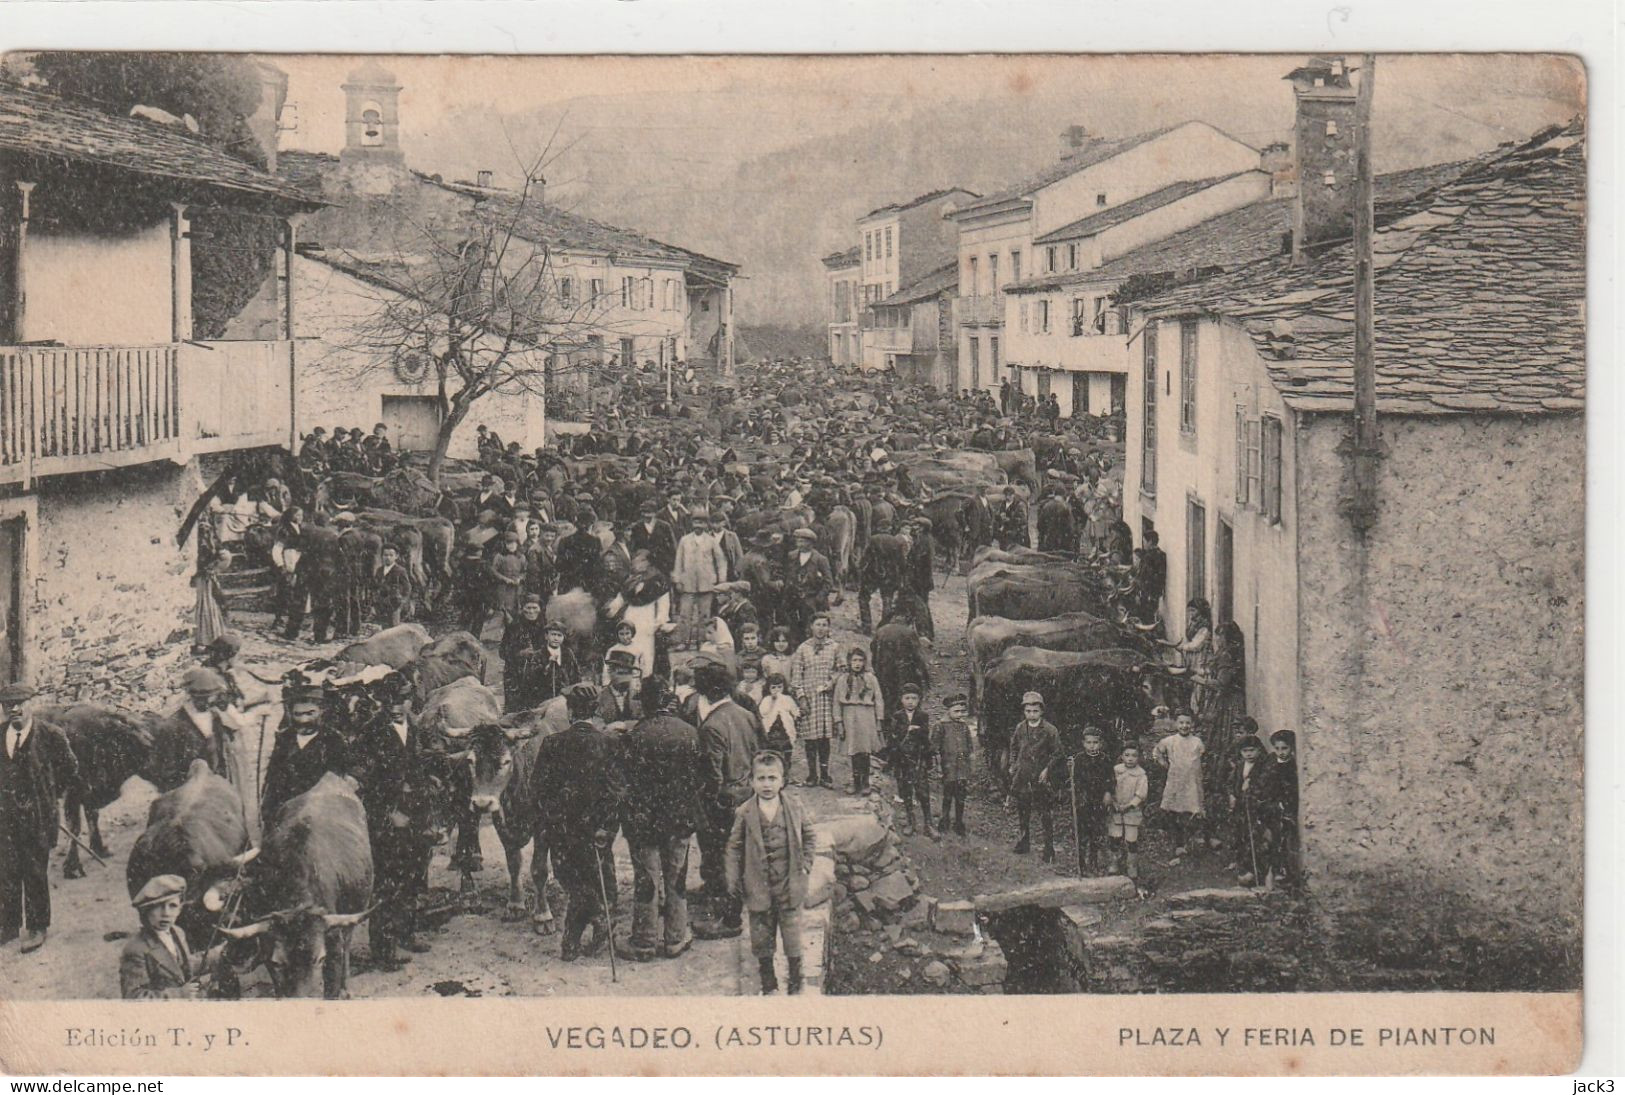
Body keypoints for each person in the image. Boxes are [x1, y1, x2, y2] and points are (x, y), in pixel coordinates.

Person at [610, 678, 705, 962]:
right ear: (669, 701)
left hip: (644, 824)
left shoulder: (635, 735)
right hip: (679, 821)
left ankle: (644, 941)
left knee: (647, 880)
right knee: (676, 877)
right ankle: (676, 938)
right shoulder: (690, 733)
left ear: (646, 702)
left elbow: (623, 783)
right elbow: (698, 779)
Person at [348, 673, 432, 968]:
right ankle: (383, 948)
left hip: (415, 814)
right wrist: (387, 813)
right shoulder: (372, 732)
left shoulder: (416, 728)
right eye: (389, 701)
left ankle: (408, 932)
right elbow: (364, 779)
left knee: (414, 875)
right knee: (387, 881)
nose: (396, 707)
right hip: (387, 818)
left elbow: (421, 768)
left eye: (402, 700)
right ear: (381, 702)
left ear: (411, 700)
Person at [533, 683, 619, 960]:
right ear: (594, 711)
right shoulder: (608, 742)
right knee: (595, 880)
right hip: (598, 831)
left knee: (571, 880)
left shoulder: (553, 743)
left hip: (564, 830)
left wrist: (553, 818)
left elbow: (539, 789)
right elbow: (617, 791)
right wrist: (607, 827)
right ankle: (594, 924)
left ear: (570, 711)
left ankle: (579, 935)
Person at [726, 752, 818, 995]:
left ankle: (796, 975)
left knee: (791, 930)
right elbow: (734, 847)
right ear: (752, 782)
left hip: (789, 882)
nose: (767, 784)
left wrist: (806, 864)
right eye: (761, 778)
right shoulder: (745, 812)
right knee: (761, 931)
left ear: (782, 780)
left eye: (772, 778)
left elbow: (809, 836)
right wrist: (733, 879)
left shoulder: (795, 807)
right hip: (758, 883)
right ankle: (768, 978)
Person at [0, 684, 76, 951]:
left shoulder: (50, 735)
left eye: (20, 703)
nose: (14, 709)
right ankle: (8, 926)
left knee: (34, 871)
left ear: (31, 703)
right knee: (6, 871)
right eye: (8, 704)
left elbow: (69, 767)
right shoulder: (0, 735)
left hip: (38, 818)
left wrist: (49, 797)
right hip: (5, 819)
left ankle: (37, 926)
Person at [692, 658, 764, 941]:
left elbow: (713, 777)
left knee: (723, 856)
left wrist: (709, 805)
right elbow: (758, 753)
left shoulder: (711, 726)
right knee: (736, 854)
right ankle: (717, 893)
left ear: (706, 691)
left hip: (724, 802)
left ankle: (729, 918)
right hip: (746, 795)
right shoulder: (745, 714)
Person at [260, 682, 350, 827]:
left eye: (310, 713)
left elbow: (336, 782)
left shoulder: (334, 740)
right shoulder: (283, 739)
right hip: (283, 814)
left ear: (322, 711)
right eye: (298, 714)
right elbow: (272, 778)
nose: (304, 720)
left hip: (319, 814)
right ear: (290, 713)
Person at [120, 874, 225, 998]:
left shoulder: (177, 932)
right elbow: (134, 997)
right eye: (158, 907)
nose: (166, 913)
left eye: (173, 906)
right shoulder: (136, 949)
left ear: (180, 909)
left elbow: (183, 966)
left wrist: (217, 953)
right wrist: (178, 994)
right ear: (146, 911)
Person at [151, 667, 244, 794]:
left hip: (218, 788)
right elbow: (166, 773)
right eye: (201, 698)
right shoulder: (172, 727)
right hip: (189, 794)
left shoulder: (215, 717)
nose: (207, 702)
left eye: (211, 697)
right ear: (190, 696)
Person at [1053, 726, 1115, 875]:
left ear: (1100, 743)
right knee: (1082, 833)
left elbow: (1110, 779)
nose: (1092, 746)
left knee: (1096, 832)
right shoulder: (1078, 759)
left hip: (1098, 801)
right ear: (1083, 743)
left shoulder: (1105, 759)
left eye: (1095, 742)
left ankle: (1093, 861)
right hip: (1083, 801)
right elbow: (1072, 780)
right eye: (1088, 742)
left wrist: (1108, 793)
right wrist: (1070, 770)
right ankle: (1081, 864)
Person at [787, 616, 840, 789]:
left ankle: (825, 774)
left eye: (825, 625)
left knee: (824, 737)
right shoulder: (803, 648)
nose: (821, 628)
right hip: (809, 698)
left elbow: (841, 670)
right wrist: (801, 698)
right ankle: (812, 774)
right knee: (810, 738)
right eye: (818, 625)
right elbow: (796, 676)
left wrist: (831, 683)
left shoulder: (834, 647)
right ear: (811, 627)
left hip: (827, 698)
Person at [605, 548, 671, 677]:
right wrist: (611, 610)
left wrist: (658, 623)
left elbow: (664, 604)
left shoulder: (658, 579)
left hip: (647, 620)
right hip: (630, 618)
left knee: (646, 652)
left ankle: (646, 678)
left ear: (648, 562)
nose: (635, 563)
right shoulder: (632, 580)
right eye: (635, 560)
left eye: (640, 561)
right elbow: (622, 597)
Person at [1010, 690, 1059, 860]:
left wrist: (1047, 770)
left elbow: (1057, 753)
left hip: (1040, 776)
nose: (1031, 714)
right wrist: (1014, 765)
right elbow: (1014, 747)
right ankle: (1024, 841)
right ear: (1024, 711)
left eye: (1035, 711)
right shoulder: (1020, 728)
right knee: (1023, 810)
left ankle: (1049, 847)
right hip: (1024, 776)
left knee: (1044, 812)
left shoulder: (1049, 730)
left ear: (1042, 711)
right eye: (1028, 711)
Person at [672, 511, 728, 650]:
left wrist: (721, 580)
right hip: (688, 584)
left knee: (704, 615)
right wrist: (678, 580)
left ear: (706, 525)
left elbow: (721, 561)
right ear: (692, 524)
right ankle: (683, 641)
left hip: (706, 584)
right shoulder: (684, 540)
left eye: (701, 523)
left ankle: (702, 641)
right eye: (696, 523)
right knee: (685, 614)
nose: (698, 526)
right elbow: (678, 562)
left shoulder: (711, 541)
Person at [1154, 709, 1206, 858]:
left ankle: (1191, 840)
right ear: (1175, 723)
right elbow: (1157, 752)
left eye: (1188, 723)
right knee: (1174, 811)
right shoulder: (1170, 741)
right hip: (1176, 780)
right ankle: (1178, 843)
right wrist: (1164, 763)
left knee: (1191, 809)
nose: (1184, 726)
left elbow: (1202, 757)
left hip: (1192, 782)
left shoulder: (1197, 742)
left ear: (1193, 724)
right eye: (1181, 722)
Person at [833, 646, 884, 796]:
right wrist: (839, 722)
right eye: (854, 660)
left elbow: (879, 699)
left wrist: (879, 720)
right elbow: (836, 702)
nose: (857, 664)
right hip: (849, 715)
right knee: (853, 750)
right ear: (849, 662)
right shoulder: (843, 679)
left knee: (865, 751)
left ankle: (866, 782)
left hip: (866, 715)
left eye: (860, 660)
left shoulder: (871, 678)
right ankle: (855, 782)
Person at [886, 683, 935, 838]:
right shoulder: (897, 716)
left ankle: (929, 824)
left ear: (919, 700)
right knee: (906, 791)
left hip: (918, 759)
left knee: (923, 791)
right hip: (902, 760)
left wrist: (928, 758)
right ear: (901, 700)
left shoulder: (923, 716)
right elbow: (893, 737)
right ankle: (910, 821)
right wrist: (905, 731)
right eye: (907, 698)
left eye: (914, 698)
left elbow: (926, 737)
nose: (910, 701)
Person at [499, 595, 557, 712]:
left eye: (534, 608)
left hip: (539, 673)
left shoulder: (546, 626)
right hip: (515, 675)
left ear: (540, 609)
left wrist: (541, 654)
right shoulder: (514, 626)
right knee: (515, 713)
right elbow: (502, 652)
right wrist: (520, 653)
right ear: (522, 608)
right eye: (528, 608)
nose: (531, 611)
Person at [1228, 735, 1271, 886]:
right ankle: (1244, 868)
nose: (1248, 754)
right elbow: (1232, 783)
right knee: (1241, 836)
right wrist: (1233, 794)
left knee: (1255, 838)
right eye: (1245, 751)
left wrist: (1251, 788)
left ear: (1259, 751)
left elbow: (1263, 784)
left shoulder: (1263, 766)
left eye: (1252, 750)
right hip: (1241, 808)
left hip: (1255, 808)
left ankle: (1256, 872)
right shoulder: (1240, 765)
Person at [932, 693, 975, 837]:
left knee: (961, 795)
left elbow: (969, 745)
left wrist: (970, 762)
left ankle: (959, 822)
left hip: (962, 767)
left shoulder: (964, 726)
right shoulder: (941, 726)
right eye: (956, 711)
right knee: (948, 794)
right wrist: (938, 766)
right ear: (948, 711)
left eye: (962, 711)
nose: (959, 714)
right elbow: (935, 749)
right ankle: (944, 820)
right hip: (948, 766)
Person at [783, 528, 834, 643]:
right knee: (793, 624)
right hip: (793, 597)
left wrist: (818, 598)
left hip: (811, 598)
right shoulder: (792, 556)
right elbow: (788, 575)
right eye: (798, 541)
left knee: (811, 626)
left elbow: (829, 582)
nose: (799, 544)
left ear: (810, 543)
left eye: (803, 542)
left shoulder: (820, 559)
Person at [1265, 730, 1300, 888]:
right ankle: (1275, 869)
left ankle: (1287, 871)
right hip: (1273, 806)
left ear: (1291, 748)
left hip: (1286, 807)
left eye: (1284, 748)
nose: (1281, 752)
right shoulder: (1272, 764)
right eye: (1277, 748)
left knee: (1286, 839)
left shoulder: (1292, 766)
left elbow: (1292, 789)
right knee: (1273, 838)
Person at [1111, 743, 1149, 881]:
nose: (1130, 759)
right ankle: (1114, 862)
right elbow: (1110, 787)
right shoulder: (1116, 770)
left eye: (1134, 756)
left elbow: (1141, 794)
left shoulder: (1141, 775)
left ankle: (1131, 865)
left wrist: (1129, 805)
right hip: (1116, 809)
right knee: (1114, 837)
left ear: (1139, 758)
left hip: (1132, 811)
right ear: (1121, 756)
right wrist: (1114, 802)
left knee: (1131, 840)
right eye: (1127, 755)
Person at [757, 673, 799, 780]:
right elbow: (763, 712)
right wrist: (773, 702)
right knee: (772, 752)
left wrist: (794, 716)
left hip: (784, 730)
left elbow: (795, 712)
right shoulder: (767, 699)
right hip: (771, 730)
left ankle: (785, 774)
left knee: (786, 752)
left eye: (779, 687)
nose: (777, 690)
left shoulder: (787, 699)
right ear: (768, 688)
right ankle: (772, 773)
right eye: (773, 687)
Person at [596, 649, 645, 732]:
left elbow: (645, 721)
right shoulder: (599, 697)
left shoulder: (639, 696)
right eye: (621, 673)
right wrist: (608, 728)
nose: (626, 678)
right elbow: (596, 723)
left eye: (629, 673)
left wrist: (626, 725)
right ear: (610, 672)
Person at [374, 544, 413, 627]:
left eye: (391, 555)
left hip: (395, 604)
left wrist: (403, 600)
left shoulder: (400, 570)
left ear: (396, 556)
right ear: (381, 556)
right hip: (382, 603)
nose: (388, 558)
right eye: (385, 555)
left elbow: (407, 587)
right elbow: (376, 585)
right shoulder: (379, 570)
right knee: (382, 626)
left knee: (394, 626)